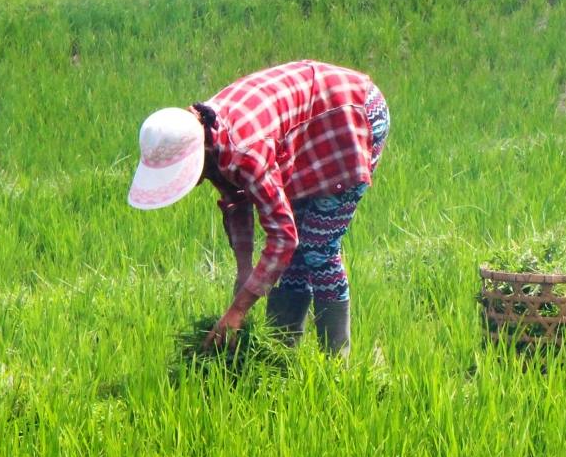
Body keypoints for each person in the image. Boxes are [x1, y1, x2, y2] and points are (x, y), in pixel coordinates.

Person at [128, 61, 389, 354]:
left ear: (198, 154)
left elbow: (283, 238)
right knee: (294, 254)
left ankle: (337, 363)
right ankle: (280, 354)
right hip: (306, 126)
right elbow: (236, 199)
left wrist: (238, 311)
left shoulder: (245, 151)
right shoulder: (208, 137)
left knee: (317, 247)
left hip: (350, 114)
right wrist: (244, 269)